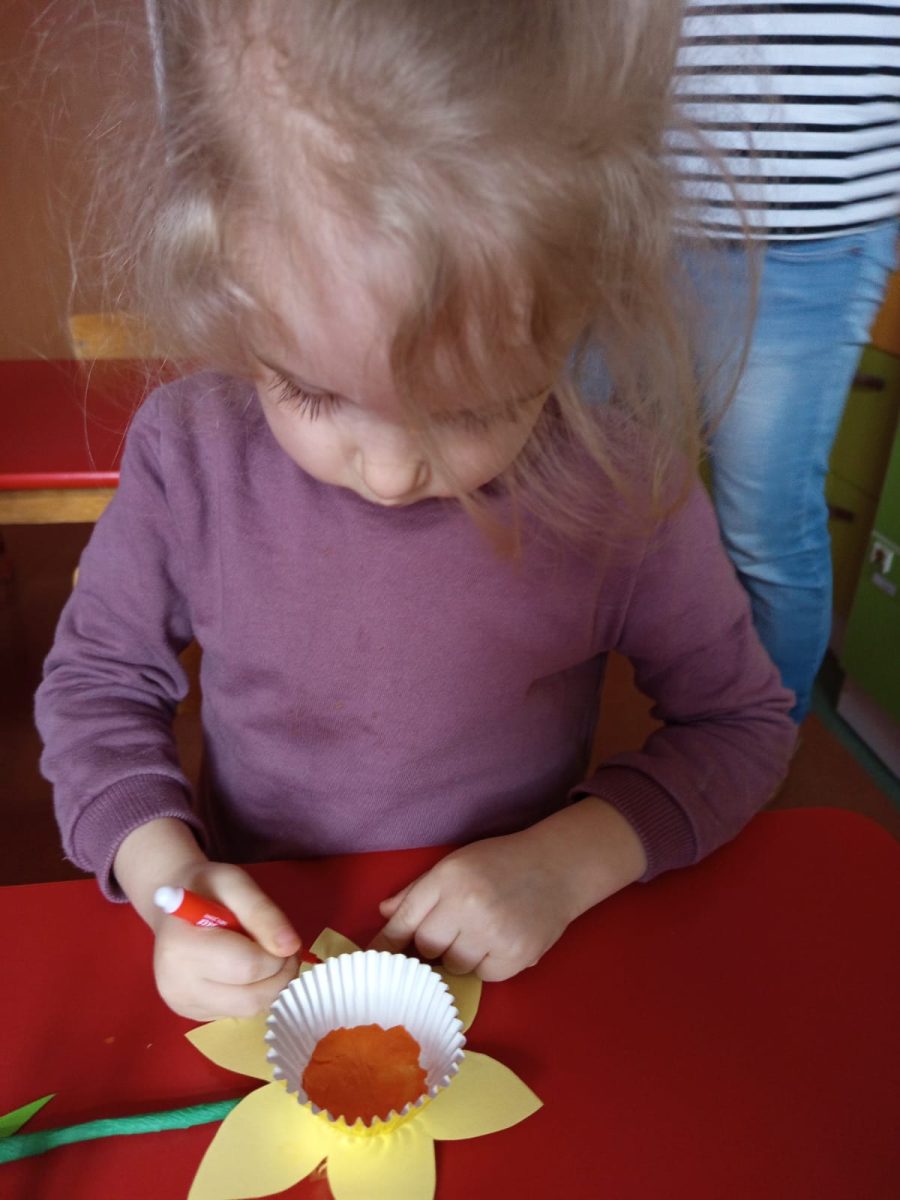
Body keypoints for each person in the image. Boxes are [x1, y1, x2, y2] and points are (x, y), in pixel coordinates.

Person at [36, 0, 796, 1023]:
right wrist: (169, 880)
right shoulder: (191, 457)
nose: (392, 475)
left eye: (475, 409)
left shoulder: (625, 491)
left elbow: (739, 724)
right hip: (269, 953)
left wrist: (569, 862)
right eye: (312, 390)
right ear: (228, 286)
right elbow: (95, 689)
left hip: (514, 963)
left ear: (580, 312)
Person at [674, 0, 900, 721]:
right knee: (591, 499)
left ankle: (755, 747)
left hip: (801, 245)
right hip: (628, 212)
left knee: (763, 535)